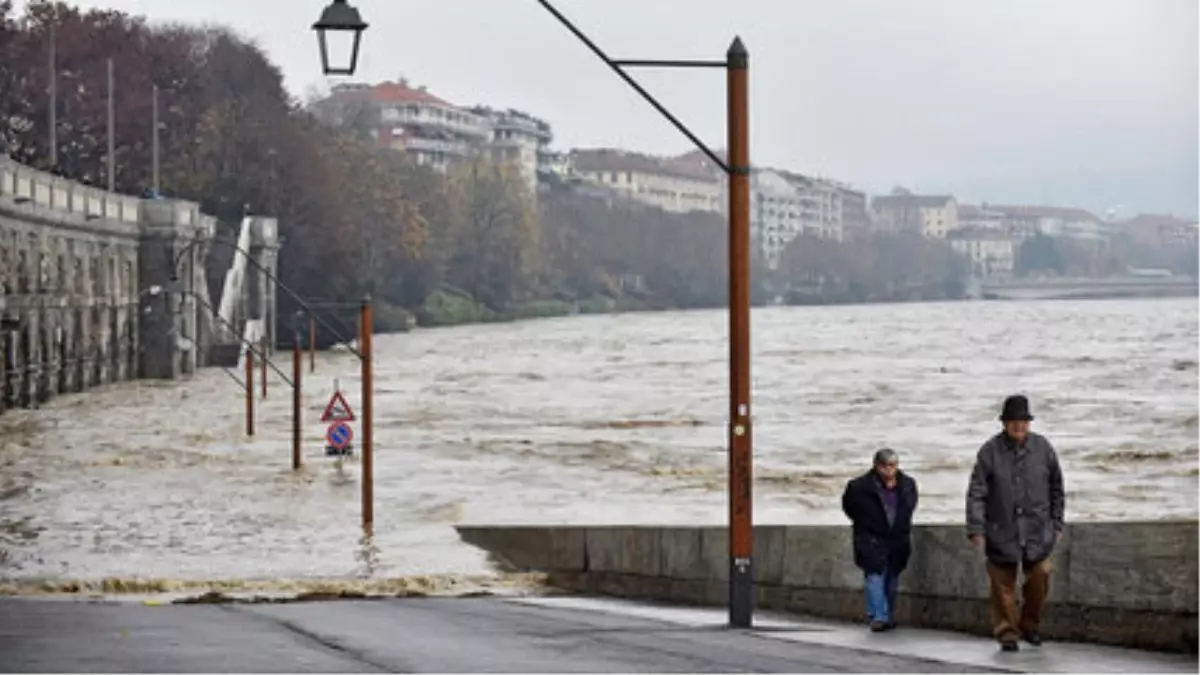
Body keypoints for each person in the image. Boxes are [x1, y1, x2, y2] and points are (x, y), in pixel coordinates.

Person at [966, 394, 1065, 652]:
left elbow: (1057, 488)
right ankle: (1007, 633)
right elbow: (977, 492)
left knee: (1041, 575)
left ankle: (1030, 625)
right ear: (1004, 423)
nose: (1018, 426)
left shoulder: (1044, 448)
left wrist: (1057, 523)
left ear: (1029, 423)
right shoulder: (989, 452)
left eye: (1023, 421)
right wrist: (976, 529)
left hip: (1038, 531)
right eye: (1013, 422)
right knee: (1002, 586)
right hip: (1001, 530)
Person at [841, 448, 919, 632]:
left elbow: (910, 507)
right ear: (877, 466)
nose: (890, 470)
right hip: (870, 538)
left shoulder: (907, 484)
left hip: (897, 539)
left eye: (893, 465)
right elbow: (849, 507)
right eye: (885, 466)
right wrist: (865, 523)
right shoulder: (858, 486)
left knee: (891, 580)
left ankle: (884, 615)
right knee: (874, 576)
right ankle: (879, 617)